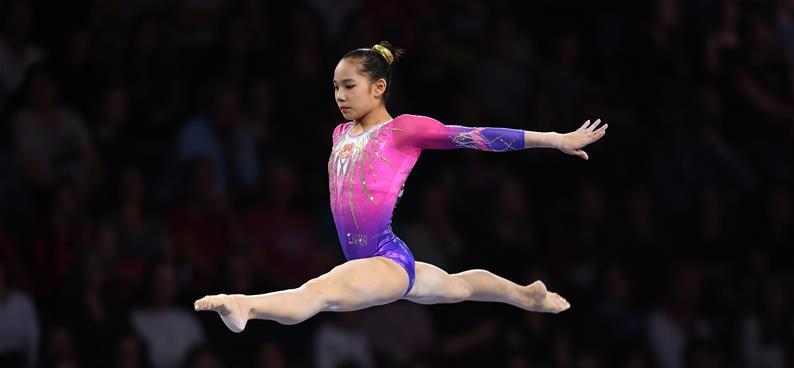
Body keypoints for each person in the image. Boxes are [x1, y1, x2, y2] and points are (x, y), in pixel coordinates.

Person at [195, 41, 607, 331]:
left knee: (318, 293)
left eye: (349, 86)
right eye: (336, 86)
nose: (340, 95)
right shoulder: (340, 133)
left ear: (379, 88)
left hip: (384, 259)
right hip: (378, 258)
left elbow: (475, 135)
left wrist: (555, 139)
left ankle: (245, 305)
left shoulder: (403, 130)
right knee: (456, 286)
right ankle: (524, 295)